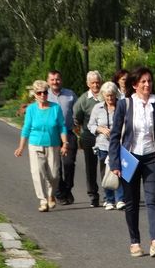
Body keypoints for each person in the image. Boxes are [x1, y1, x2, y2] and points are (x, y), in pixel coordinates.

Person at [108, 67, 155, 258]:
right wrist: (115, 163)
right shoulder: (124, 104)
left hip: (153, 157)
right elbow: (115, 135)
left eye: (149, 81)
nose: (147, 85)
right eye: (143, 82)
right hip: (130, 157)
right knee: (131, 201)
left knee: (152, 199)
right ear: (134, 85)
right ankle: (134, 242)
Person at [14, 80, 69, 212]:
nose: (42, 95)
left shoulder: (55, 108)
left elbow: (62, 127)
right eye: (39, 93)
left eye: (45, 92)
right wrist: (21, 147)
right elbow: (26, 128)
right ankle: (43, 200)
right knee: (38, 173)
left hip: (53, 144)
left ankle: (51, 195)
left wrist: (65, 144)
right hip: (35, 145)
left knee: (54, 174)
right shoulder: (31, 109)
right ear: (35, 94)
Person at [88, 81, 126, 210]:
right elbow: (90, 125)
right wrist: (100, 129)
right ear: (103, 95)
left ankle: (120, 198)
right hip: (103, 145)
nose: (110, 98)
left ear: (116, 95)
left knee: (119, 170)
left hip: (119, 145)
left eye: (112, 95)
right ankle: (109, 199)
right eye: (107, 95)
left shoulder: (121, 106)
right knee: (105, 172)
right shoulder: (97, 108)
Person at [73, 70, 104, 207]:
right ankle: (93, 195)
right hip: (89, 136)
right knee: (90, 167)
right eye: (93, 83)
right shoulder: (83, 99)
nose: (96, 85)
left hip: (105, 137)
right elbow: (76, 117)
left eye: (98, 82)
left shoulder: (106, 96)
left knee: (107, 166)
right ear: (88, 84)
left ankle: (109, 193)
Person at [46, 70, 77, 206]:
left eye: (57, 79)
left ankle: (68, 188)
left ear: (61, 80)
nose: (55, 82)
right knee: (55, 167)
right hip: (52, 136)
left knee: (69, 163)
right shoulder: (44, 95)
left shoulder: (70, 95)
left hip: (69, 133)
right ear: (48, 81)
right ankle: (60, 193)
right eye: (52, 79)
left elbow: (77, 111)